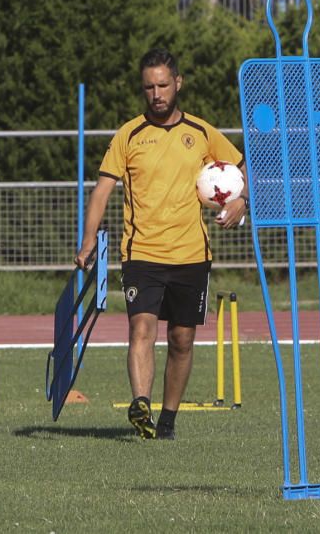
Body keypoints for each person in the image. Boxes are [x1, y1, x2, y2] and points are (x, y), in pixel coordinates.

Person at [75, 48, 249, 439]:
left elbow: (243, 168)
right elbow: (103, 189)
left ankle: (166, 422)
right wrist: (88, 238)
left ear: (178, 83)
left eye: (163, 85)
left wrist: (241, 199)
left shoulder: (202, 133)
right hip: (142, 254)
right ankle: (140, 403)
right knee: (142, 329)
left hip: (192, 255)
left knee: (181, 340)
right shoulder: (129, 134)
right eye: (148, 87)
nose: (156, 94)